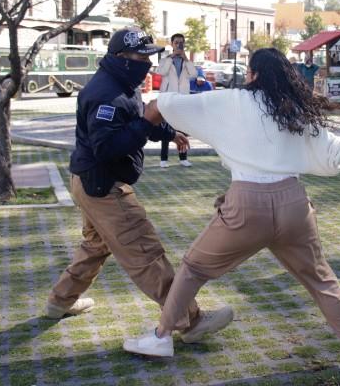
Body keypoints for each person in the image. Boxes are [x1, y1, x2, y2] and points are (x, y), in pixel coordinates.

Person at [123, 48, 340, 374]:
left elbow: (163, 103)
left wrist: (139, 125)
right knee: (321, 280)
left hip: (245, 207)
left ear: (253, 74)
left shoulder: (228, 101)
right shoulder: (293, 111)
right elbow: (336, 150)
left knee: (193, 268)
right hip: (293, 207)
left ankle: (161, 336)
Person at [45, 27, 234, 344]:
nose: (148, 62)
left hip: (87, 181)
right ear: (122, 57)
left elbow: (133, 118)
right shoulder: (106, 94)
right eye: (141, 56)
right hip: (104, 187)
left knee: (95, 246)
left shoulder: (122, 83)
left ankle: (60, 301)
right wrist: (148, 122)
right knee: (145, 251)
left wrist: (166, 132)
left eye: (150, 56)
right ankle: (190, 320)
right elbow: (108, 147)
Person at [156, 33, 197, 168]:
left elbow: (194, 75)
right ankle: (164, 159)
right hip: (169, 97)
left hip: (182, 98)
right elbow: (161, 72)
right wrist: (171, 58)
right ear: (172, 44)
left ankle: (183, 158)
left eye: (181, 42)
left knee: (182, 129)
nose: (179, 44)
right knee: (166, 129)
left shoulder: (187, 60)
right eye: (176, 42)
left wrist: (186, 58)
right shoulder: (165, 58)